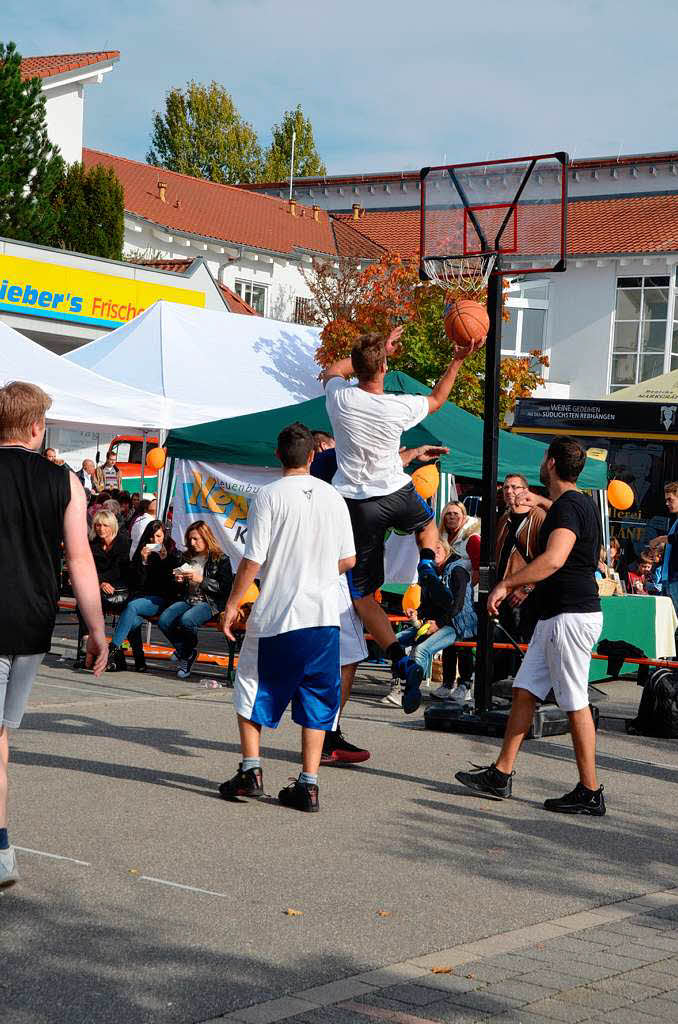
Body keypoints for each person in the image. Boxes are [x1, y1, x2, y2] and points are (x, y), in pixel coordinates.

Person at [322, 326, 476, 715]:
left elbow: (330, 370)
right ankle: (427, 564)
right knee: (427, 527)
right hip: (395, 491)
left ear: (355, 369)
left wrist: (373, 351)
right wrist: (457, 360)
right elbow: (438, 399)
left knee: (364, 598)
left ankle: (397, 656)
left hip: (357, 503)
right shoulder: (397, 406)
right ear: (386, 367)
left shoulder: (339, 398)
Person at [456, 436, 606, 816]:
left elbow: (555, 558)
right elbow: (565, 528)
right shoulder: (577, 503)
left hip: (569, 616)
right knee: (525, 691)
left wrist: (508, 582)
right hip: (557, 615)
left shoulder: (569, 507)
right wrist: (540, 501)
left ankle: (590, 791)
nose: (541, 463)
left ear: (552, 463)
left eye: (543, 457)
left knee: (574, 703)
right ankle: (500, 774)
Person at [0, 381, 107, 889]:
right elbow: (80, 559)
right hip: (35, 623)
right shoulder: (64, 481)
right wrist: (97, 628)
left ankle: (1, 850)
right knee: (1, 738)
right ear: (37, 426)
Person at [220, 423, 356, 813]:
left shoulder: (269, 496)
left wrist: (232, 605)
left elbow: (253, 559)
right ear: (313, 455)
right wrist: (316, 568)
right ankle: (309, 783)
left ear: (278, 455)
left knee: (251, 685)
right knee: (317, 696)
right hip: (325, 616)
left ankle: (251, 769)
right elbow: (348, 560)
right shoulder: (333, 497)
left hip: (280, 612)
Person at [395, 539, 477, 707]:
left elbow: (458, 605)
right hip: (439, 622)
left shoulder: (457, 569)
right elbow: (428, 604)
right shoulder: (429, 571)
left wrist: (437, 624)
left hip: (459, 624)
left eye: (438, 548)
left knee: (422, 650)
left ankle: (412, 692)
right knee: (394, 641)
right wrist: (418, 613)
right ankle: (397, 687)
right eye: (431, 550)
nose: (435, 552)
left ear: (446, 549)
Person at [157, 520, 233, 679]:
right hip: (188, 599)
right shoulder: (186, 556)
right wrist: (178, 580)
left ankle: (184, 656)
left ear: (206, 538)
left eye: (196, 539)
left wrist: (201, 580)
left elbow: (224, 589)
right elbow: (177, 585)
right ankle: (187, 653)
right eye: (190, 539)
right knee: (164, 620)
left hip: (209, 602)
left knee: (187, 620)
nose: (192, 543)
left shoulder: (221, 559)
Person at [107, 519, 180, 673]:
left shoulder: (171, 555)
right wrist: (143, 561)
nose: (155, 541)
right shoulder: (141, 554)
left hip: (160, 599)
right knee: (132, 620)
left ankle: (113, 649)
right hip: (141, 597)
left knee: (132, 607)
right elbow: (136, 583)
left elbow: (169, 586)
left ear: (164, 537)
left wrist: (164, 561)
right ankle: (139, 661)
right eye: (152, 537)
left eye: (159, 537)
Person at [492, 474, 546, 681]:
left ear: (526, 490)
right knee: (501, 644)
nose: (509, 491)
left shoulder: (538, 517)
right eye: (506, 488)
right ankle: (499, 690)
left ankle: (523, 690)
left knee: (523, 645)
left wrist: (528, 586)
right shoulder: (504, 518)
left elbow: (548, 558)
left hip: (525, 594)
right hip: (503, 591)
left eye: (515, 487)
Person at [74, 510, 131, 668]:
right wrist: (100, 582)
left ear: (112, 526)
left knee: (90, 603)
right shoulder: (91, 543)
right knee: (83, 603)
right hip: (98, 587)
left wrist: (104, 581)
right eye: (98, 525)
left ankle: (94, 650)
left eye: (105, 525)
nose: (101, 528)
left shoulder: (123, 542)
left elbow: (121, 569)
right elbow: (86, 568)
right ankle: (86, 645)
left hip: (119, 588)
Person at [648, 482, 678, 614]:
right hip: (668, 578)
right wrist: (664, 547)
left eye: (670, 499)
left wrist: (660, 539)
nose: (667, 503)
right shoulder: (675, 520)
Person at [439, 500, 481, 569]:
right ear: (444, 518)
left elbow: (477, 573)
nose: (452, 517)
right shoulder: (442, 538)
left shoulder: (473, 539)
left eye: (456, 514)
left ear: (464, 517)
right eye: (448, 514)